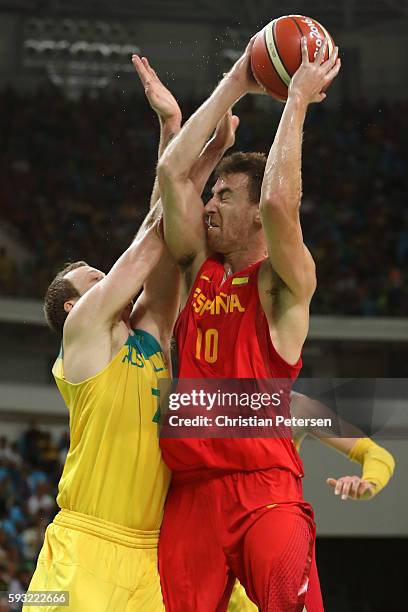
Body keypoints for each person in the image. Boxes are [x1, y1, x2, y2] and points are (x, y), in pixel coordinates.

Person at [157, 36, 341, 611]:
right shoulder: (195, 268)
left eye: (225, 196)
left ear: (253, 214)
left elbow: (281, 206)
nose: (208, 205)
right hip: (190, 494)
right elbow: (170, 170)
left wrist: (297, 101)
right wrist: (237, 79)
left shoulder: (281, 285)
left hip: (265, 488)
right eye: (211, 194)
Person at [23, 71, 182, 611]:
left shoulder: (150, 337)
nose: (100, 274)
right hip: (81, 546)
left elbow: (165, 243)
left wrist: (172, 134)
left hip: (150, 554)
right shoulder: (82, 338)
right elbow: (145, 246)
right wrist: (181, 144)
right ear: (73, 308)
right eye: (90, 276)